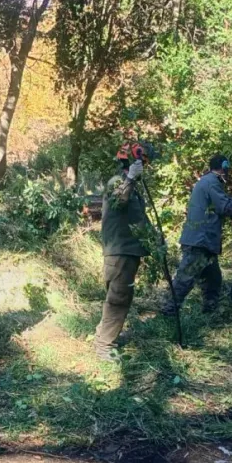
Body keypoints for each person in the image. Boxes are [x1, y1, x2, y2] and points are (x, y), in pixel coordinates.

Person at [162, 154, 232, 315]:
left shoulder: (210, 182)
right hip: (200, 241)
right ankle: (168, 312)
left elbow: (227, 206)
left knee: (213, 280)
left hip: (205, 242)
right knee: (185, 280)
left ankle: (209, 311)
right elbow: (226, 208)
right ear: (224, 167)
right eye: (227, 169)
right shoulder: (211, 183)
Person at [94, 143, 152, 363]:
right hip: (119, 250)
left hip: (130, 250)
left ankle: (103, 336)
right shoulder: (117, 182)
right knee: (118, 298)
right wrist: (129, 179)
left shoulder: (134, 188)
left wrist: (155, 238)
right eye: (142, 161)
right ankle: (104, 346)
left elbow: (138, 218)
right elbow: (118, 202)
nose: (145, 165)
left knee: (120, 297)